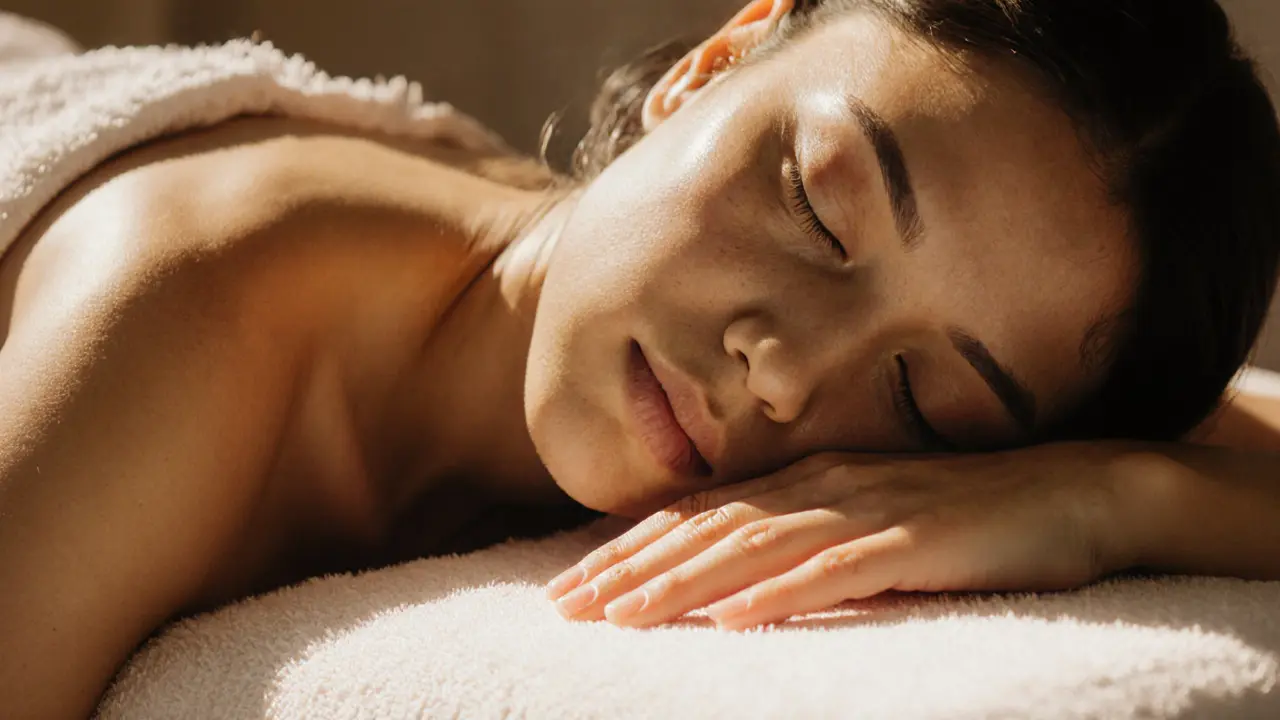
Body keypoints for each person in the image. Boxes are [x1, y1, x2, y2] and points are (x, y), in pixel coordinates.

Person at [2, 0, 1279, 716]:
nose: (782, 374)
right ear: (716, 61)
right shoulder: (187, 319)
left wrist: (1106, 498)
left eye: (922, 396)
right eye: (817, 207)